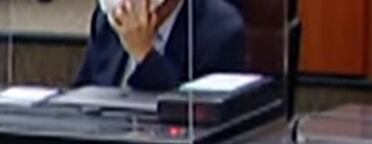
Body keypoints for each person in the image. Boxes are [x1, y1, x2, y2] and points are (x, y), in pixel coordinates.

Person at [74, 0, 245, 91]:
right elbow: (82, 93)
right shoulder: (109, 19)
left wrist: (144, 53)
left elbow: (193, 116)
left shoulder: (220, 29)